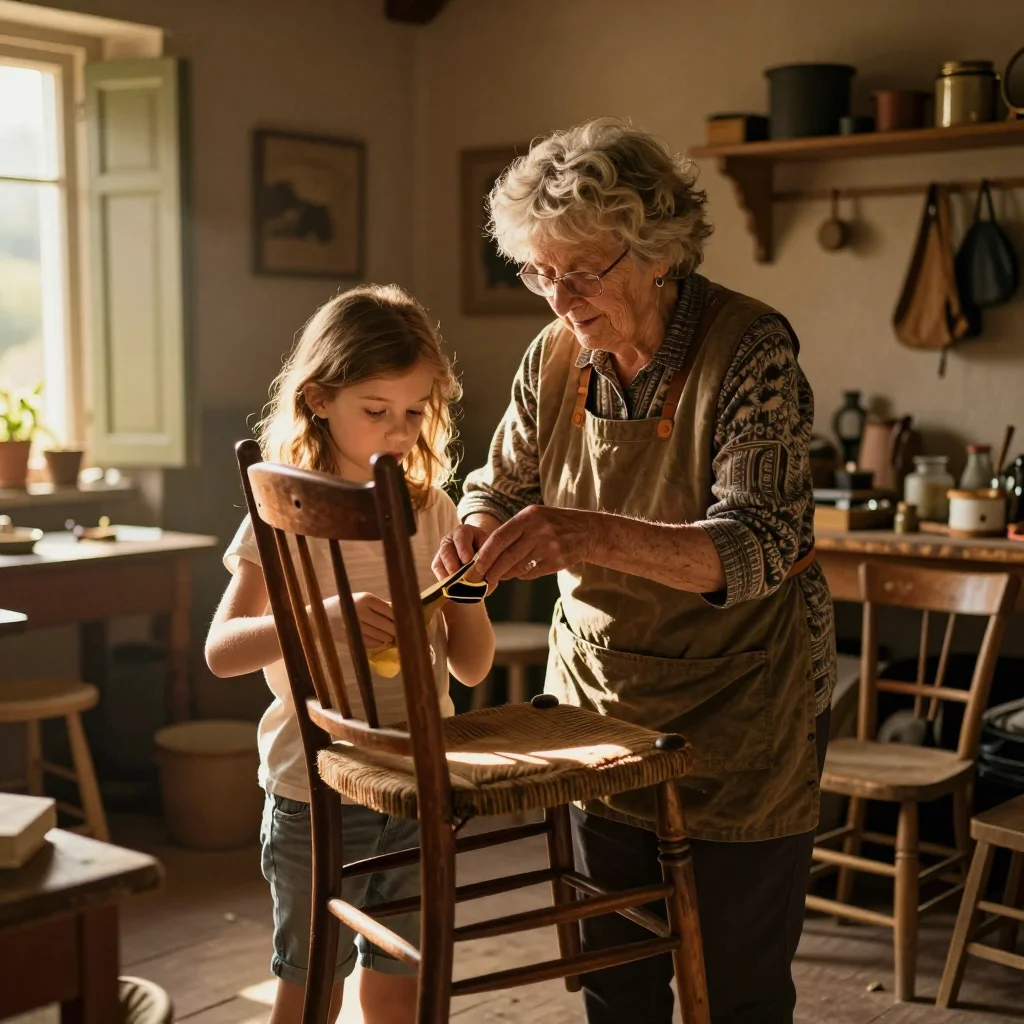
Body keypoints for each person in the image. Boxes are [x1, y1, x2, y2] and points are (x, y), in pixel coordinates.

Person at [434, 118, 836, 1024]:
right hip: (598, 701)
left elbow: (760, 545)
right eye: (540, 273)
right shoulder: (555, 355)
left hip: (742, 710)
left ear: (657, 251)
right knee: (615, 972)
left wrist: (585, 535)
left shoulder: (751, 347)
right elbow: (497, 480)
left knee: (734, 983)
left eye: (584, 271)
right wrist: (476, 528)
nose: (562, 300)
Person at [206, 284, 495, 1024]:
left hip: (414, 779)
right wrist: (321, 617)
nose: (399, 433)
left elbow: (471, 668)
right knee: (310, 991)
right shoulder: (282, 509)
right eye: (376, 411)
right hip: (315, 786)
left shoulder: (431, 506)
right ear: (318, 399)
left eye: (414, 412)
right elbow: (222, 651)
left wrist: (467, 591)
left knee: (396, 988)